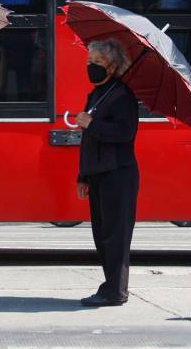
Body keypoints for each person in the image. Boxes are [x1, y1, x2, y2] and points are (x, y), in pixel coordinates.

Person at [75, 39, 139, 307]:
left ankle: (115, 291)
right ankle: (111, 287)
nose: (91, 66)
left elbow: (125, 133)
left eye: (97, 62)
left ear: (112, 66)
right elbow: (89, 141)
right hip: (98, 173)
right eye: (89, 61)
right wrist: (83, 176)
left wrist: (92, 124)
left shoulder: (122, 95)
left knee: (116, 235)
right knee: (102, 235)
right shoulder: (97, 94)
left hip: (118, 173)